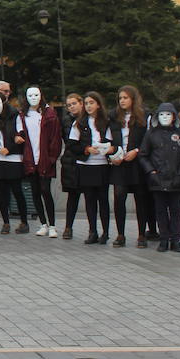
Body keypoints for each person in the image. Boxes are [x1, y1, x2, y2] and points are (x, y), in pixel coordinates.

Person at [138, 102, 180, 252]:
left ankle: (175, 240)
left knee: (176, 210)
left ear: (174, 116)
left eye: (168, 114)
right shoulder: (151, 133)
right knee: (160, 210)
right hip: (158, 179)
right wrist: (151, 172)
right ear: (157, 117)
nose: (165, 117)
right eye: (161, 114)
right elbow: (143, 155)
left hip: (176, 179)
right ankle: (164, 239)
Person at [68, 92, 112, 245]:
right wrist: (86, 149)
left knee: (103, 200)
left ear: (98, 104)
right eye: (86, 103)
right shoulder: (79, 123)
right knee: (89, 200)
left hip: (102, 165)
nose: (88, 106)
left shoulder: (106, 122)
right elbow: (72, 145)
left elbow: (111, 141)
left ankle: (106, 232)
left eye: (91, 102)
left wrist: (106, 148)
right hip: (86, 165)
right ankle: (92, 231)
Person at [108, 85, 149, 247]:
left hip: (137, 163)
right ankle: (120, 234)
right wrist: (112, 156)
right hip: (119, 163)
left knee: (141, 198)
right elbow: (108, 140)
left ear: (133, 98)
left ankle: (141, 234)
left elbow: (148, 139)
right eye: (120, 98)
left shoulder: (143, 115)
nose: (122, 101)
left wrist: (137, 151)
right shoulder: (113, 116)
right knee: (119, 196)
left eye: (125, 97)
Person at [21, 86, 61, 238]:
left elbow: (55, 138)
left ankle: (52, 225)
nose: (33, 98)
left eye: (36, 94)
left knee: (45, 190)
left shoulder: (49, 114)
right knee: (35, 192)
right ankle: (43, 223)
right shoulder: (23, 115)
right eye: (30, 95)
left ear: (41, 95)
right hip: (31, 159)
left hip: (45, 159)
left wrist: (51, 157)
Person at [0, 94, 28, 234]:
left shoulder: (14, 116)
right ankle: (6, 222)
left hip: (13, 158)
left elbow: (21, 135)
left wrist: (9, 149)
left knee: (17, 190)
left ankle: (24, 221)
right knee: (1, 191)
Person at [58, 93, 85, 239]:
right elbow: (65, 140)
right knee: (72, 196)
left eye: (74, 103)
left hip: (86, 160)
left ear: (81, 103)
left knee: (90, 196)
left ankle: (93, 229)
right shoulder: (66, 121)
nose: (72, 107)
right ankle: (68, 226)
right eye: (69, 105)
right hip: (70, 162)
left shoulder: (88, 119)